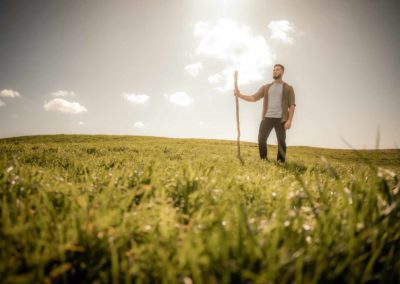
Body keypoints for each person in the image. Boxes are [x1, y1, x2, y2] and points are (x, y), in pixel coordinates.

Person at [234, 64, 296, 163]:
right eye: (274, 70)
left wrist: (289, 120)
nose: (275, 71)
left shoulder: (288, 88)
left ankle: (280, 162)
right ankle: (264, 160)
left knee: (281, 142)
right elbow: (253, 98)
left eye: (277, 70)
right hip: (267, 118)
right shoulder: (266, 87)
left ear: (282, 72)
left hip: (281, 119)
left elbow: (292, 105)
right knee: (261, 139)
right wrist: (239, 95)